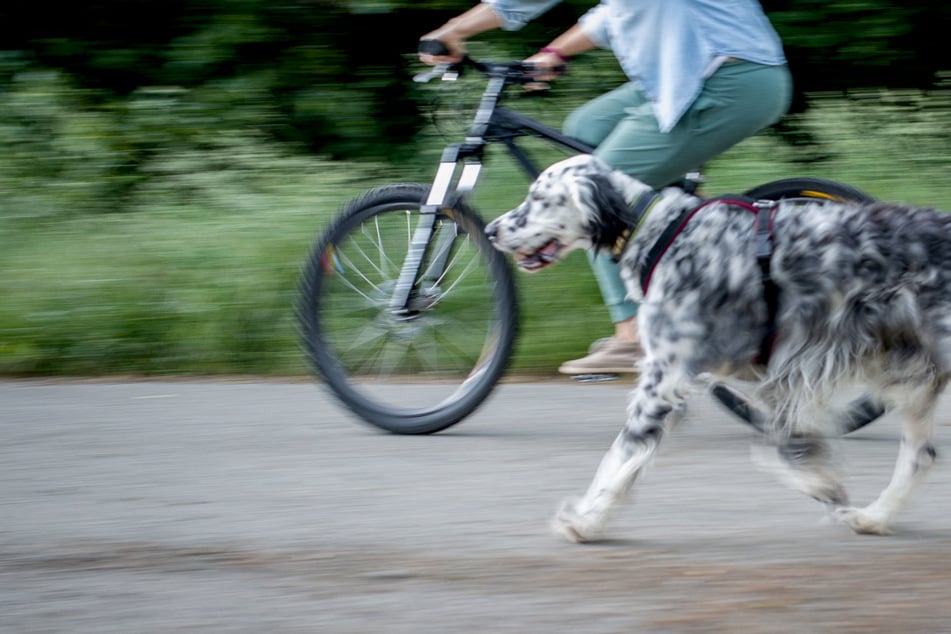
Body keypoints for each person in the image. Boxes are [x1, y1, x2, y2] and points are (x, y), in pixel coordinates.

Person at [420, 1, 791, 376]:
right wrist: (553, 52)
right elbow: (615, 13)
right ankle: (695, 264)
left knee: (597, 191)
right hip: (693, 77)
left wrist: (455, 29)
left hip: (727, 80)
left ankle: (634, 335)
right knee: (587, 129)